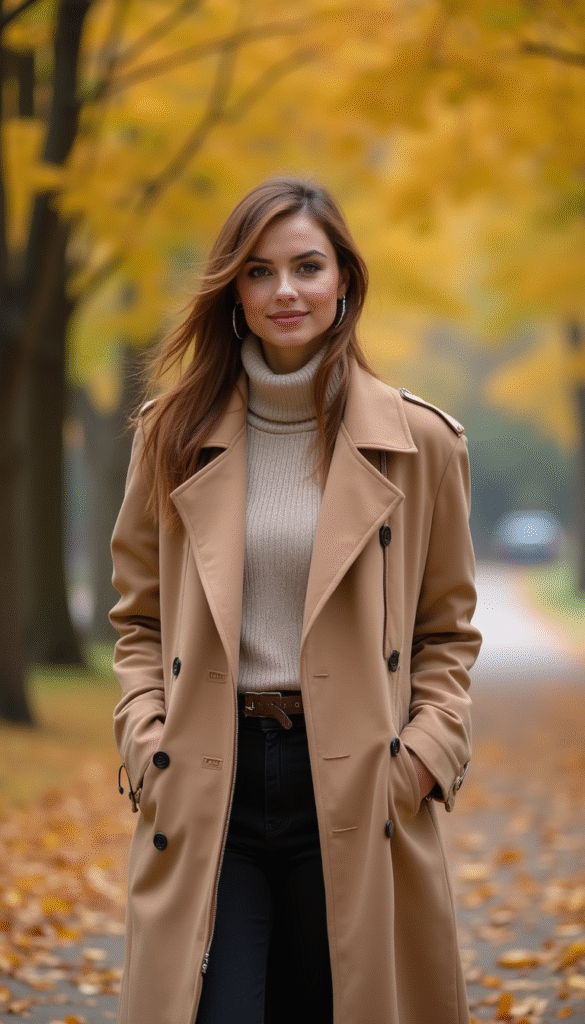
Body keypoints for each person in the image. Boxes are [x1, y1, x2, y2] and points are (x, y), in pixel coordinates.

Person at [110, 176, 482, 1024]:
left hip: (359, 781)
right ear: (233, 291)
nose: (285, 291)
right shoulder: (169, 436)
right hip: (209, 776)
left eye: (307, 267)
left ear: (343, 279)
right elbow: (137, 618)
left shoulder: (419, 441)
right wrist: (146, 739)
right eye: (259, 271)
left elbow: (447, 633)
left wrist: (423, 751)